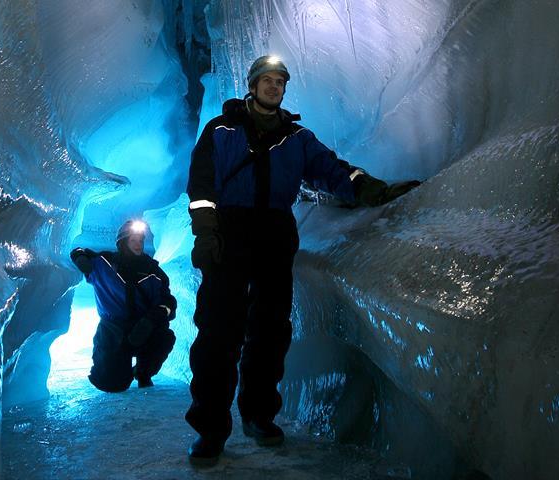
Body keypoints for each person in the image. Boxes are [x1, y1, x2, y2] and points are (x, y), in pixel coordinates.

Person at [185, 55, 420, 465]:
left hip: (275, 235)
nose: (274, 87)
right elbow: (201, 186)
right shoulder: (221, 130)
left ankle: (259, 415)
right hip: (230, 235)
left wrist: (373, 191)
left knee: (270, 331)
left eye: (280, 82)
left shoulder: (297, 139)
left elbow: (334, 172)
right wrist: (206, 234)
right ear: (252, 85)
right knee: (218, 333)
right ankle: (210, 430)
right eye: (268, 81)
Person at [70, 219, 177, 392]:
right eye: (133, 240)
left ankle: (143, 373)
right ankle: (113, 367)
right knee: (112, 385)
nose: (138, 245)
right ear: (123, 242)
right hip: (113, 329)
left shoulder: (153, 271)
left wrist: (152, 319)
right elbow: (80, 251)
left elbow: (168, 301)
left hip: (142, 327)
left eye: (141, 241)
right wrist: (79, 256)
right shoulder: (105, 263)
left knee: (164, 337)